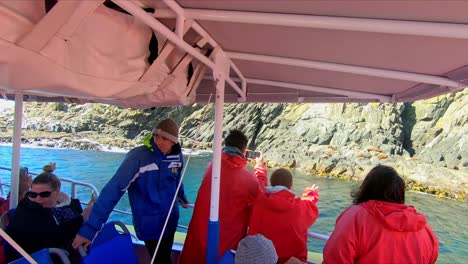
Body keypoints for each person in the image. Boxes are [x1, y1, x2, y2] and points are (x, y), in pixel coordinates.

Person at [72, 118, 190, 264]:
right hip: (149, 223)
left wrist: (182, 197)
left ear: (173, 141)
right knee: (161, 260)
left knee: (165, 256)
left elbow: (176, 180)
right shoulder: (138, 157)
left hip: (170, 219)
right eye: (155, 136)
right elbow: (112, 191)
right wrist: (90, 230)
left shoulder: (177, 156)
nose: (158, 141)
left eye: (164, 138)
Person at [179, 130, 267, 264]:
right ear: (244, 151)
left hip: (200, 236)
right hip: (226, 242)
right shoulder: (248, 180)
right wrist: (260, 167)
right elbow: (262, 193)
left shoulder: (211, 167)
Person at [323, 165, 439, 264]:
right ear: (400, 193)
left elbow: (335, 258)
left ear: (366, 189)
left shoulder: (355, 217)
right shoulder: (425, 229)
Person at [6, 164, 90, 262]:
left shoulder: (65, 205)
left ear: (57, 192)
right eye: (33, 194)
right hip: (36, 257)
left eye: (44, 194)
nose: (37, 199)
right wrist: (82, 218)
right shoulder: (26, 209)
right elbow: (50, 236)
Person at [248, 164, 320, 264]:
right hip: (290, 261)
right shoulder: (299, 207)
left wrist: (260, 168)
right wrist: (311, 192)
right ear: (291, 185)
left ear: (272, 184)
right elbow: (309, 205)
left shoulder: (259, 201)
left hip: (260, 259)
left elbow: (260, 184)